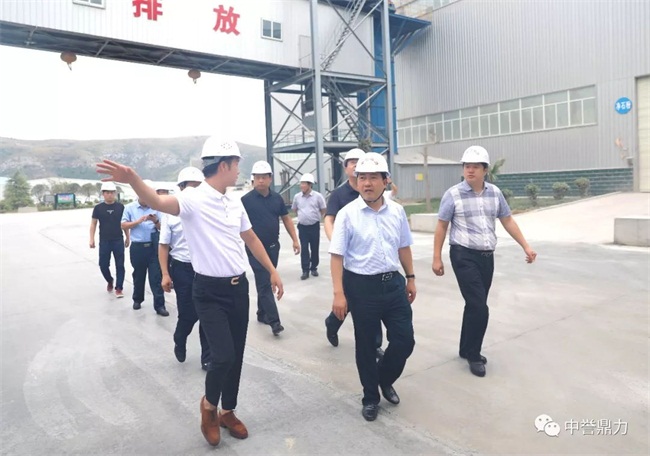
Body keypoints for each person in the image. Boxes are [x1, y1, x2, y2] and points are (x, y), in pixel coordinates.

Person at [97, 136, 284, 447]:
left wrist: (272, 270)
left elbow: (250, 238)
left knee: (236, 355)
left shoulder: (234, 201)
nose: (240, 170)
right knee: (222, 356)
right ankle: (209, 407)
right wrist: (133, 180)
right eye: (237, 164)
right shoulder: (192, 199)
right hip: (209, 291)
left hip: (239, 288)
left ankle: (228, 411)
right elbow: (158, 203)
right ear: (223, 165)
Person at [432, 145, 537, 377]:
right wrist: (436, 257)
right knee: (480, 306)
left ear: (485, 170)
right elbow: (441, 226)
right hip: (463, 255)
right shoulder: (453, 194)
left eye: (475, 167)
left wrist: (526, 246)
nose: (470, 170)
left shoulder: (495, 193)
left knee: (474, 304)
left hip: (486, 257)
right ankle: (474, 354)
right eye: (466, 166)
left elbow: (507, 220)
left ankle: (465, 347)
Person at [328, 152, 416, 422]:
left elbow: (403, 246)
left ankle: (384, 378)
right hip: (361, 287)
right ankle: (370, 397)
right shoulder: (347, 214)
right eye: (362, 178)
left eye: (373, 178)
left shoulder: (397, 211)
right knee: (366, 346)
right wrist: (339, 294)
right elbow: (336, 256)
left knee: (404, 341)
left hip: (393, 284)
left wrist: (411, 277)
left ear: (385, 180)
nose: (367, 183)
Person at [323, 148, 384, 358]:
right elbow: (329, 219)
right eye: (352, 162)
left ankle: (375, 344)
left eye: (360, 161)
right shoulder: (339, 195)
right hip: (348, 256)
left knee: (370, 301)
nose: (356, 165)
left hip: (370, 255)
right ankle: (333, 322)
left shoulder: (372, 189)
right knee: (348, 298)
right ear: (346, 167)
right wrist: (336, 242)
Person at [159, 167, 211, 370]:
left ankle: (207, 357)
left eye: (197, 186)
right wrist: (165, 274)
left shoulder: (208, 208)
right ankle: (180, 338)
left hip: (205, 268)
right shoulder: (170, 213)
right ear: (180, 188)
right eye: (189, 186)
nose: (193, 190)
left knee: (208, 314)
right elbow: (164, 245)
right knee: (189, 314)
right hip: (182, 269)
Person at [241, 160, 300, 336]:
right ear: (253, 179)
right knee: (264, 281)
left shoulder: (277, 199)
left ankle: (261, 313)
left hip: (273, 247)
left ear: (270, 179)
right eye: (257, 177)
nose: (260, 180)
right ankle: (274, 321)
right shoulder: (245, 201)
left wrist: (295, 239)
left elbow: (286, 219)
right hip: (254, 249)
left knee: (265, 280)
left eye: (264, 177)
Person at [121, 180, 169, 316]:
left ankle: (160, 306)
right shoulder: (129, 208)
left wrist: (155, 221)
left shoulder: (156, 208)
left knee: (156, 277)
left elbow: (163, 228)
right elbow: (123, 225)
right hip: (138, 247)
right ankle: (137, 299)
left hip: (153, 247)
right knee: (138, 275)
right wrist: (138, 221)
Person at [89, 181, 130, 298]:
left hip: (118, 240)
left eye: (112, 192)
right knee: (103, 265)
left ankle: (119, 288)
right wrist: (91, 239)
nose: (110, 195)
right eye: (107, 192)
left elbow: (125, 223)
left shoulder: (121, 207)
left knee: (120, 265)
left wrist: (128, 237)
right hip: (104, 241)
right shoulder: (98, 208)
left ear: (115, 193)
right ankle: (109, 280)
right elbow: (93, 224)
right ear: (103, 194)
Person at [291, 173, 326, 280]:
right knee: (304, 249)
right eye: (301, 183)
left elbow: (323, 209)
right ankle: (305, 270)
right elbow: (294, 209)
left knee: (315, 247)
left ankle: (314, 267)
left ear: (310, 184)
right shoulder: (297, 197)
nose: (301, 186)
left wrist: (317, 217)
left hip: (314, 226)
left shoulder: (318, 196)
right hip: (302, 227)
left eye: (304, 183)